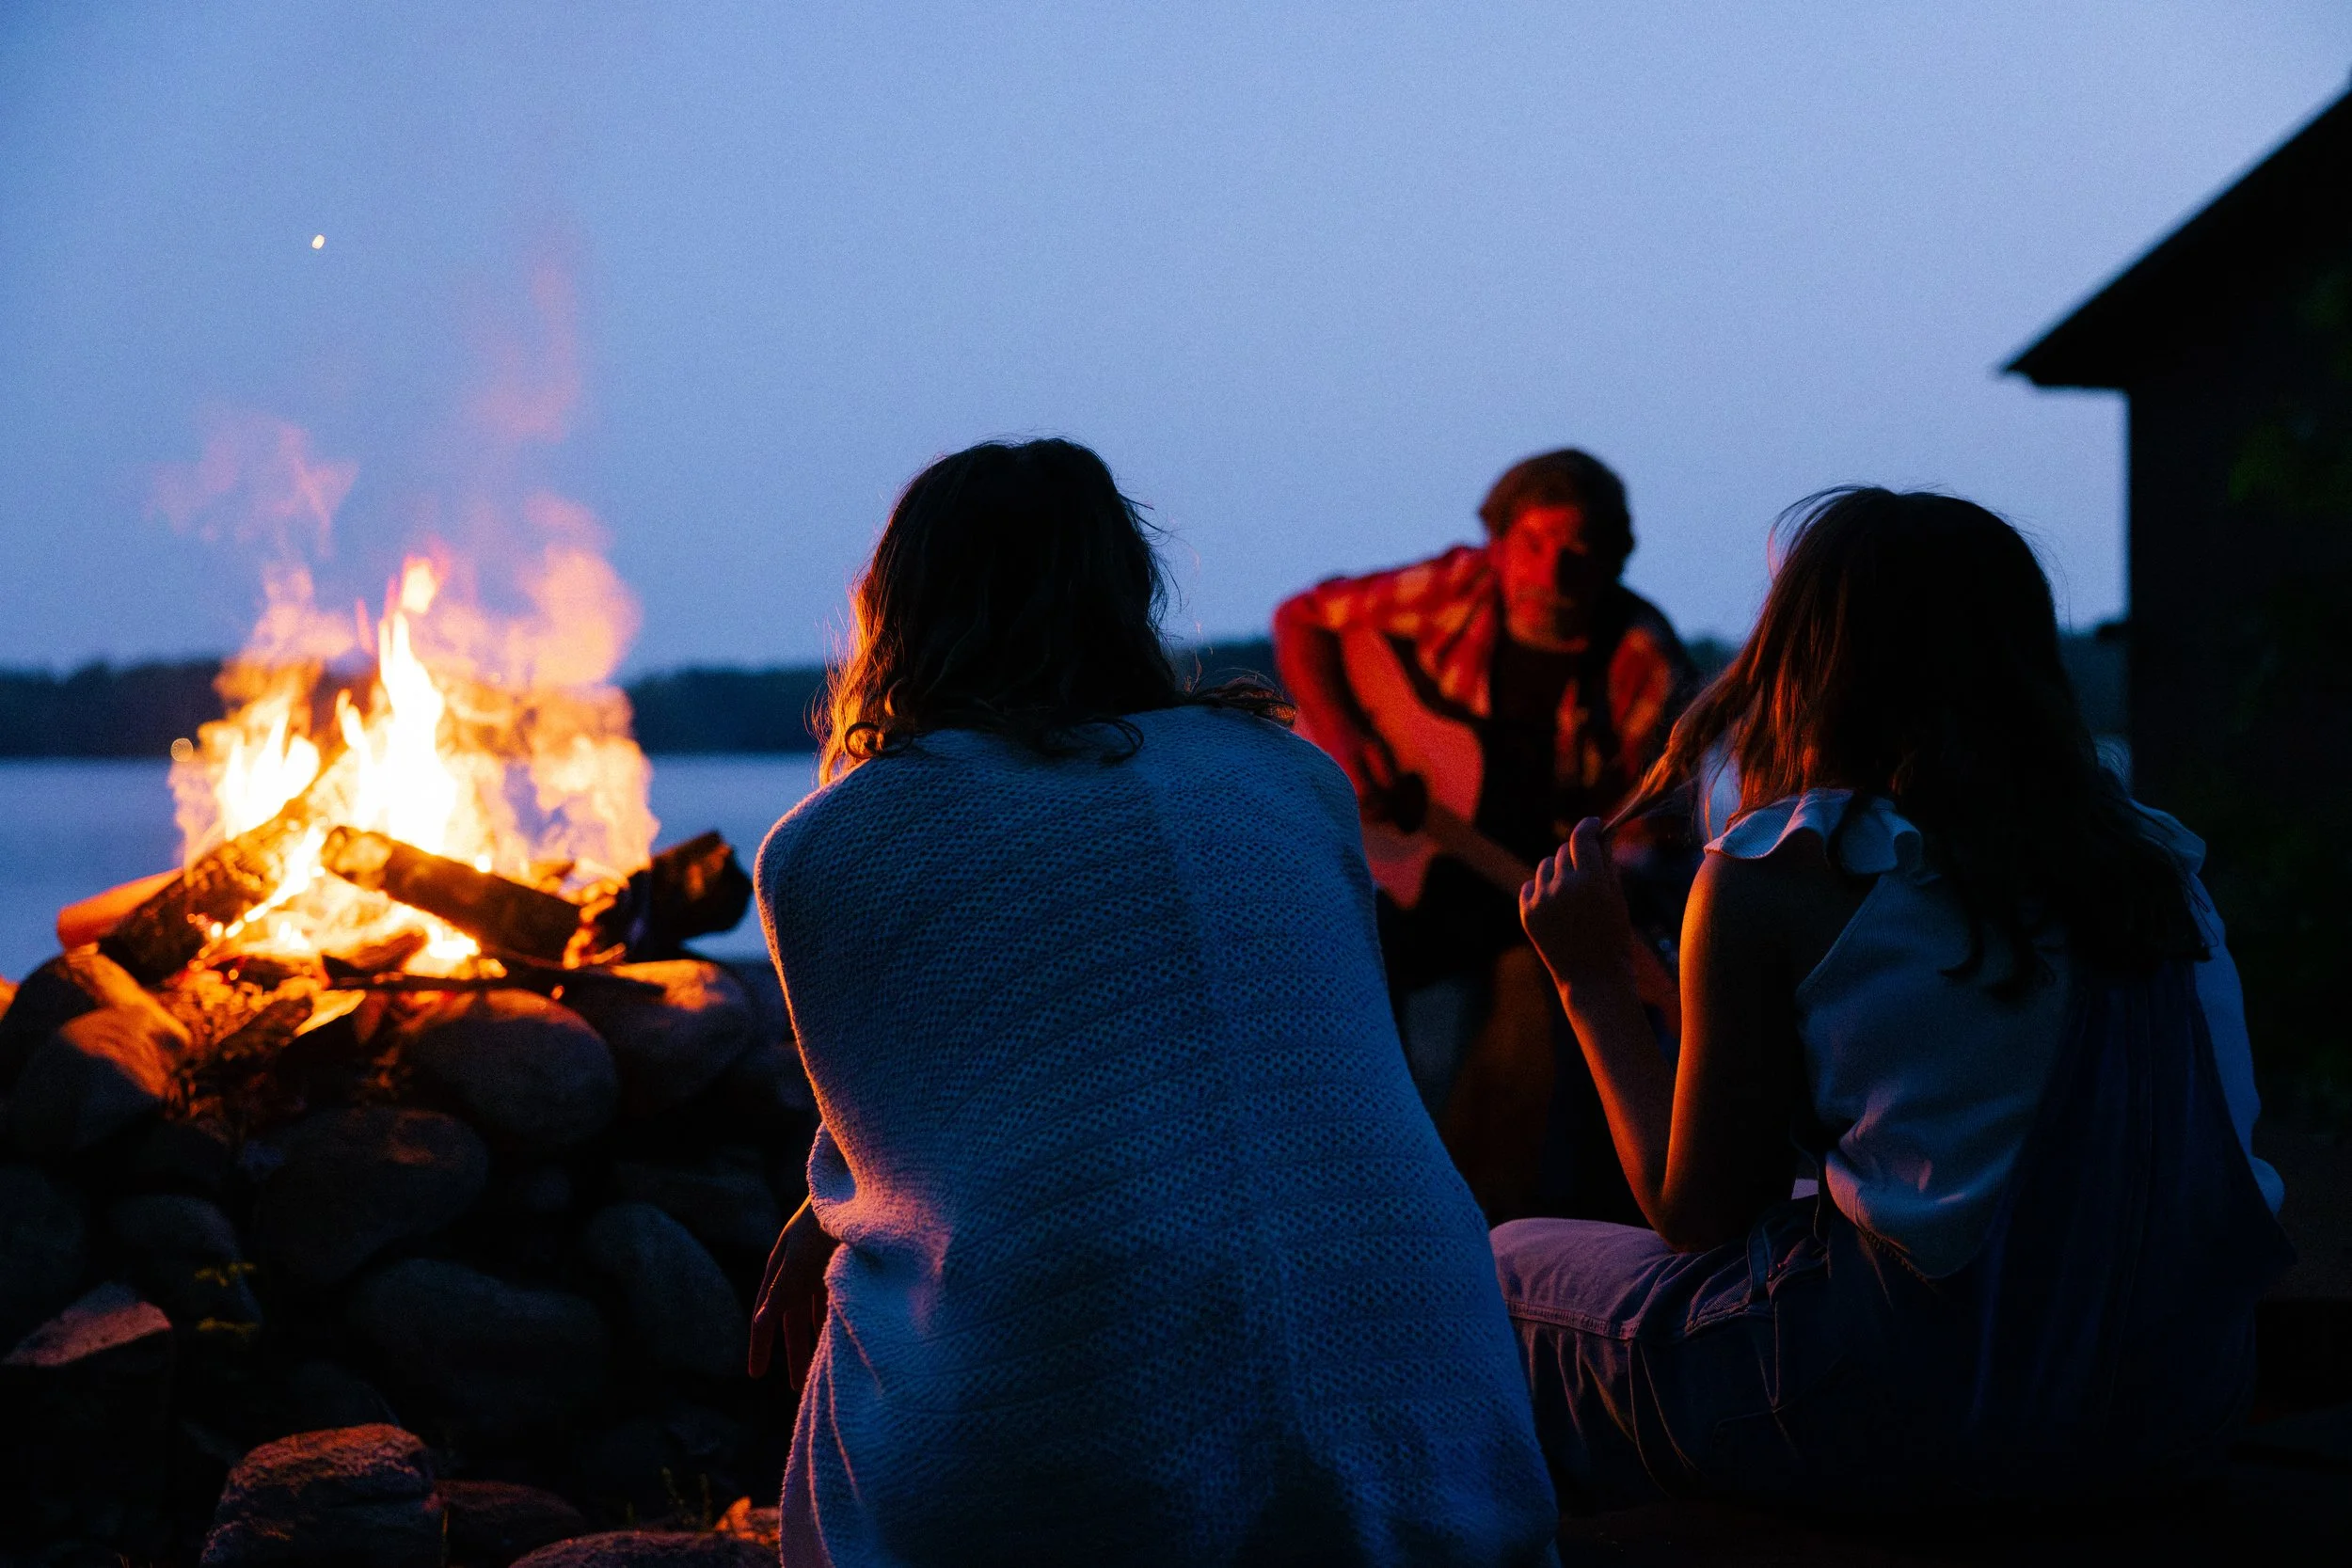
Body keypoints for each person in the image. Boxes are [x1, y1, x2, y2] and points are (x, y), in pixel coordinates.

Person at [746, 439, 1559, 1566]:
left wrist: (813, 1214)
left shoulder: (834, 841)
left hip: (1065, 1464)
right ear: (1128, 589)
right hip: (1432, 1429)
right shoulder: (1293, 778)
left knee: (865, 1280)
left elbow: (886, 1144)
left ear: (894, 604)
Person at [1496, 487, 2293, 1513]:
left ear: (1799, 655)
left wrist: (1591, 978)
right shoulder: (2153, 858)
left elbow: (1691, 1212)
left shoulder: (1787, 863)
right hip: (2174, 1404)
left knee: (1499, 1266)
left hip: (1923, 1409)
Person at [1272, 451, 1700, 1224]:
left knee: (1570, 1079)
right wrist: (1342, 737)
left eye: (1577, 551)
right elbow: (1303, 616)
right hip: (1420, 883)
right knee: (1326, 980)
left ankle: (1569, 1241)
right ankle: (1351, 1201)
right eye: (1532, 544)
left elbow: (1656, 835)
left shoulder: (1644, 662)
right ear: (1497, 543)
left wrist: (1632, 921)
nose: (1552, 571)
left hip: (1528, 893)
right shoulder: (1457, 586)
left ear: (1614, 558)